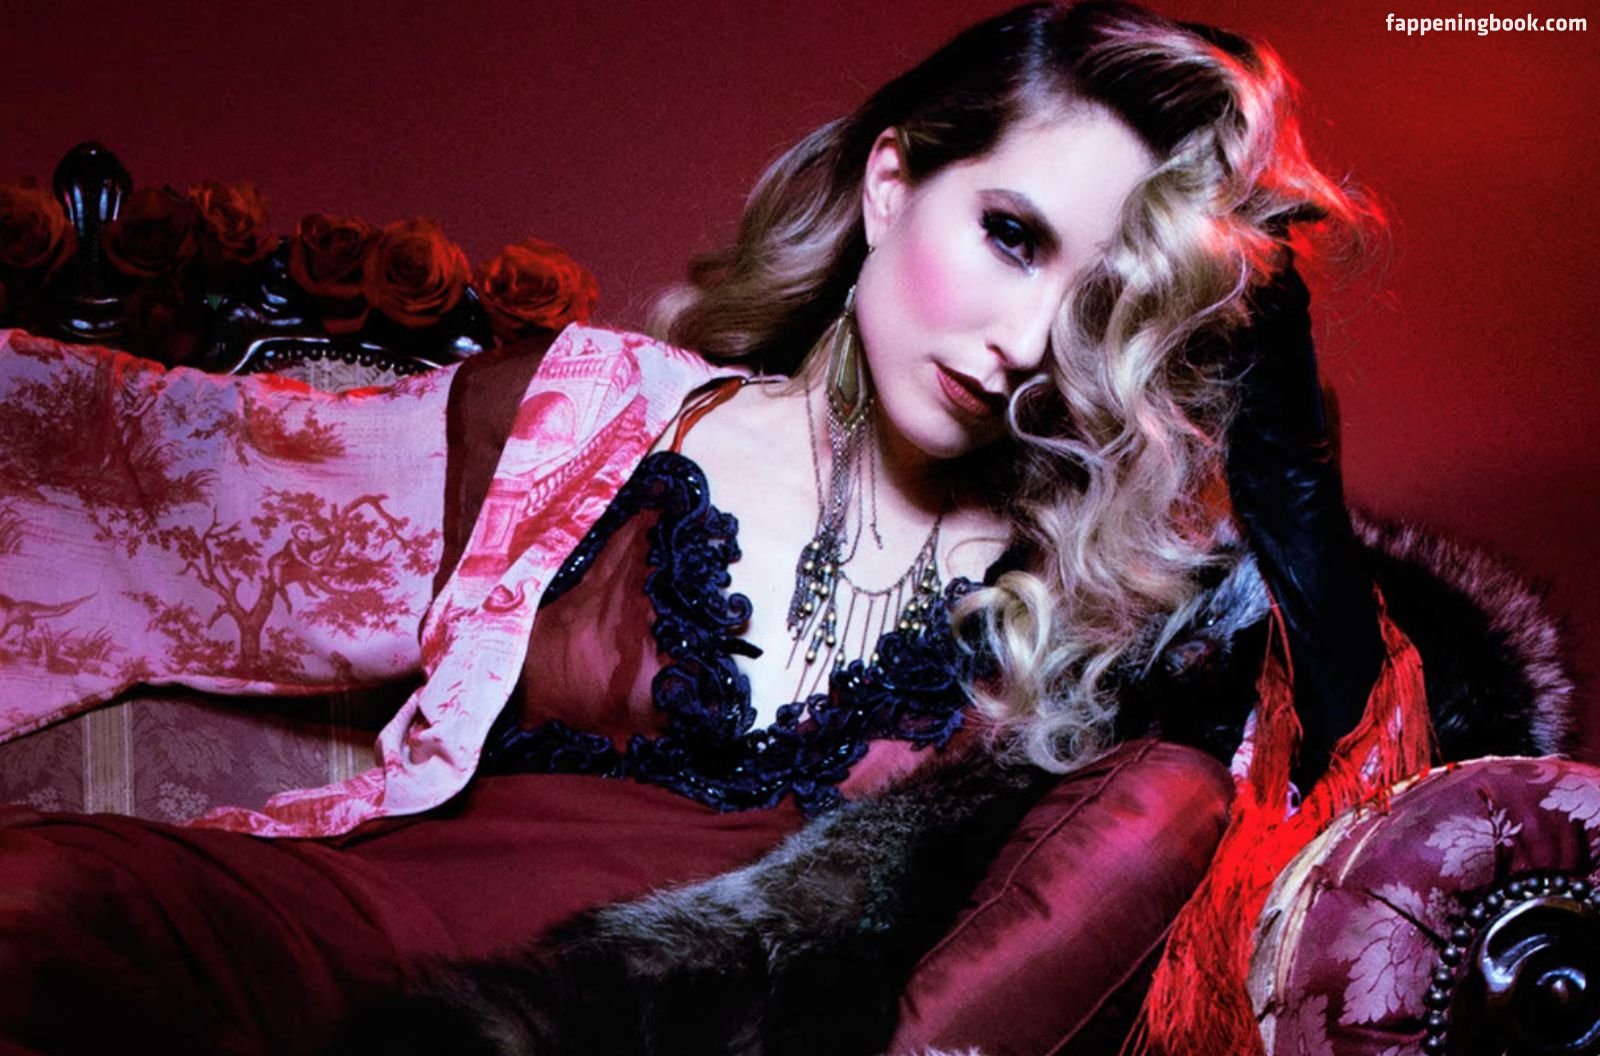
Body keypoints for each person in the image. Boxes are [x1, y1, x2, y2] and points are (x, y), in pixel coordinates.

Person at [0, 2, 1478, 1053]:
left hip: (656, 1022)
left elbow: (1348, 833)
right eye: (1011, 235)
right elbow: (133, 489)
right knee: (45, 899)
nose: (1031, 337)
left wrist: (1291, 476)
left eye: (1095, 300)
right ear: (893, 183)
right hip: (343, 929)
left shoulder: (1096, 597)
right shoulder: (595, 417)